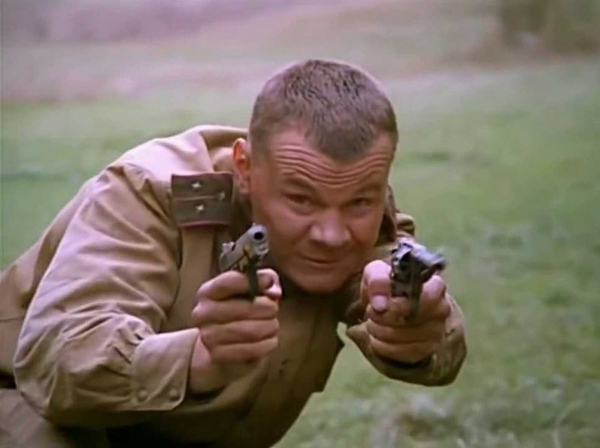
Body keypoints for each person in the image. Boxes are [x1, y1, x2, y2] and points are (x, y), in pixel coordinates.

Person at [0, 59, 467, 448]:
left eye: (359, 202)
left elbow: (430, 327)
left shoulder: (361, 215)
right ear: (244, 167)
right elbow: (55, 360)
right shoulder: (150, 191)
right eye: (301, 200)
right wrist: (199, 359)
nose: (331, 234)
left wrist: (419, 329)